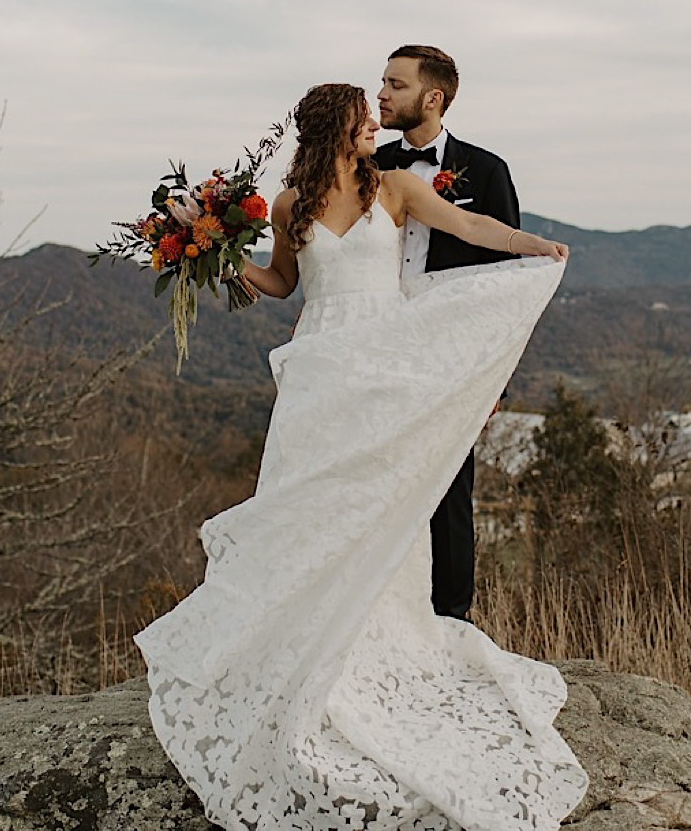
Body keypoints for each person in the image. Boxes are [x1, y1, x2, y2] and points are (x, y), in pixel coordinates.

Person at [135, 82, 589, 831]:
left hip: (386, 366)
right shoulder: (287, 206)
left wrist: (534, 246)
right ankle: (296, 643)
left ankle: (373, 644)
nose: (376, 123)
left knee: (380, 509)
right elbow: (281, 284)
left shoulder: (400, 187)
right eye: (364, 116)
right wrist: (218, 263)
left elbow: (471, 226)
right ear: (336, 129)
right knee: (309, 508)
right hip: (320, 371)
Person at [374, 44, 518, 622]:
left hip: (450, 352)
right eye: (382, 81)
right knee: (378, 484)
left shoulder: (485, 171)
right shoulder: (366, 165)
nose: (380, 93)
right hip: (377, 344)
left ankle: (451, 620)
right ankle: (381, 617)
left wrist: (496, 377)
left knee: (449, 490)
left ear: (432, 99)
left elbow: (506, 278)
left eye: (395, 84)